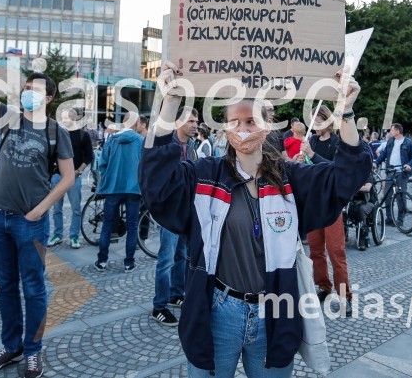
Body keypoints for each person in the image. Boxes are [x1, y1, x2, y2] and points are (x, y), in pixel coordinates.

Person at [141, 62, 370, 377]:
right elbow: (156, 184)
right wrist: (169, 104)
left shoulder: (293, 180)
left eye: (251, 121)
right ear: (224, 127)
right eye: (234, 121)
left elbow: (346, 177)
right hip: (216, 311)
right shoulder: (203, 176)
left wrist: (345, 112)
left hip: (274, 314)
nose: (243, 129)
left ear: (269, 122)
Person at [0, 18, 75, 378]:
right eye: (27, 87)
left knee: (33, 288)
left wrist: (38, 211)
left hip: (30, 222)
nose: (29, 92)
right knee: (6, 286)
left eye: (36, 89)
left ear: (49, 98)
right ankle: (11, 346)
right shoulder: (9, 118)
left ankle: (32, 350)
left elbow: (69, 177)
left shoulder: (57, 131)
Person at [300, 105, 354, 307]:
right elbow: (309, 169)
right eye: (312, 122)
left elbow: (336, 169)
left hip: (331, 203)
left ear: (328, 121)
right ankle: (323, 286)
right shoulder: (312, 140)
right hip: (313, 202)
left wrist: (312, 155)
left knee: (336, 253)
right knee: (315, 251)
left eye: (318, 121)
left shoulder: (338, 142)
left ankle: (345, 296)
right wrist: (301, 161)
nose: (314, 126)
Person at [150, 107, 198, 326]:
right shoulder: (168, 145)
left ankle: (176, 294)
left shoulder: (192, 146)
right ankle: (159, 306)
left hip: (186, 210)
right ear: (178, 122)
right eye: (190, 121)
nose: (195, 125)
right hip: (170, 211)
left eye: (196, 121)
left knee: (182, 255)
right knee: (166, 259)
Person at [94, 112, 145, 272]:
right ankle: (129, 262)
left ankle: (102, 260)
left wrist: (108, 176)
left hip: (113, 188)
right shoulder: (141, 141)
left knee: (107, 224)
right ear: (135, 123)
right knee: (132, 226)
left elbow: (102, 163)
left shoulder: (112, 140)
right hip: (133, 189)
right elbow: (146, 166)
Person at [47, 109, 94, 249]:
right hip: (58, 176)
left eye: (66, 117)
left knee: (76, 209)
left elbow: (89, 156)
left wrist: (78, 171)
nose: (63, 120)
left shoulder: (83, 135)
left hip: (74, 176)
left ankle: (74, 236)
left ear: (74, 118)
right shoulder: (59, 133)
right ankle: (58, 235)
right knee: (56, 208)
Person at [374, 123, 412, 227]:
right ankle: (389, 218)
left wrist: (409, 164)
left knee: (401, 196)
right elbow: (384, 154)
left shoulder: (408, 143)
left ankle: (400, 220)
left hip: (402, 173)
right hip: (390, 171)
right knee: (387, 196)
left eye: (392, 130)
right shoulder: (391, 141)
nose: (390, 132)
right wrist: (376, 162)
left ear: (398, 131)